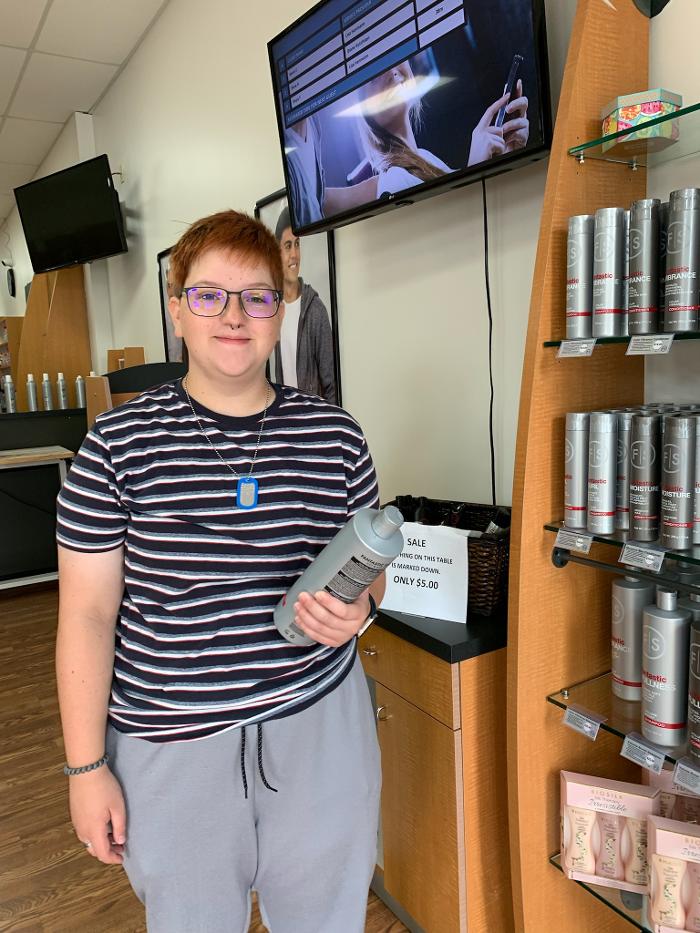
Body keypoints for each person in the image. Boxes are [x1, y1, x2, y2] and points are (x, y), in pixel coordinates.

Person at [55, 209, 383, 933]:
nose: (234, 316)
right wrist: (86, 769)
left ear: (279, 310)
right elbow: (86, 615)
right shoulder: (115, 447)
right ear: (178, 310)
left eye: (257, 296)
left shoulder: (335, 435)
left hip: (321, 731)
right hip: (173, 751)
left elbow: (370, 565)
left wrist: (360, 609)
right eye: (209, 295)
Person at [323, 59, 529, 216]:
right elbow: (456, 229)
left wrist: (506, 158)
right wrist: (475, 167)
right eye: (373, 75)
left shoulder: (424, 158)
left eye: (394, 55)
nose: (391, 70)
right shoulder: (394, 179)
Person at [272, 206, 337, 404]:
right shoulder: (271, 311)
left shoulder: (316, 310)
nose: (294, 254)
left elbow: (331, 387)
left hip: (311, 419)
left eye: (297, 244)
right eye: (288, 246)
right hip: (283, 419)